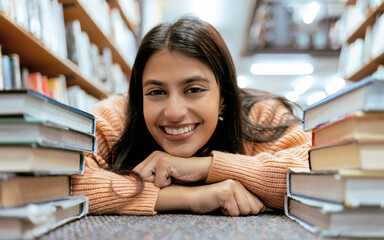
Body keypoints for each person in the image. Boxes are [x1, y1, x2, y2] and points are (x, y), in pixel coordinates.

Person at [71, 16, 311, 216]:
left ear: (223, 99)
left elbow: (317, 173)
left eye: (194, 90)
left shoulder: (261, 114)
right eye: (156, 92)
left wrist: (203, 167)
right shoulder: (116, 116)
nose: (174, 112)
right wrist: (184, 197)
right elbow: (57, 179)